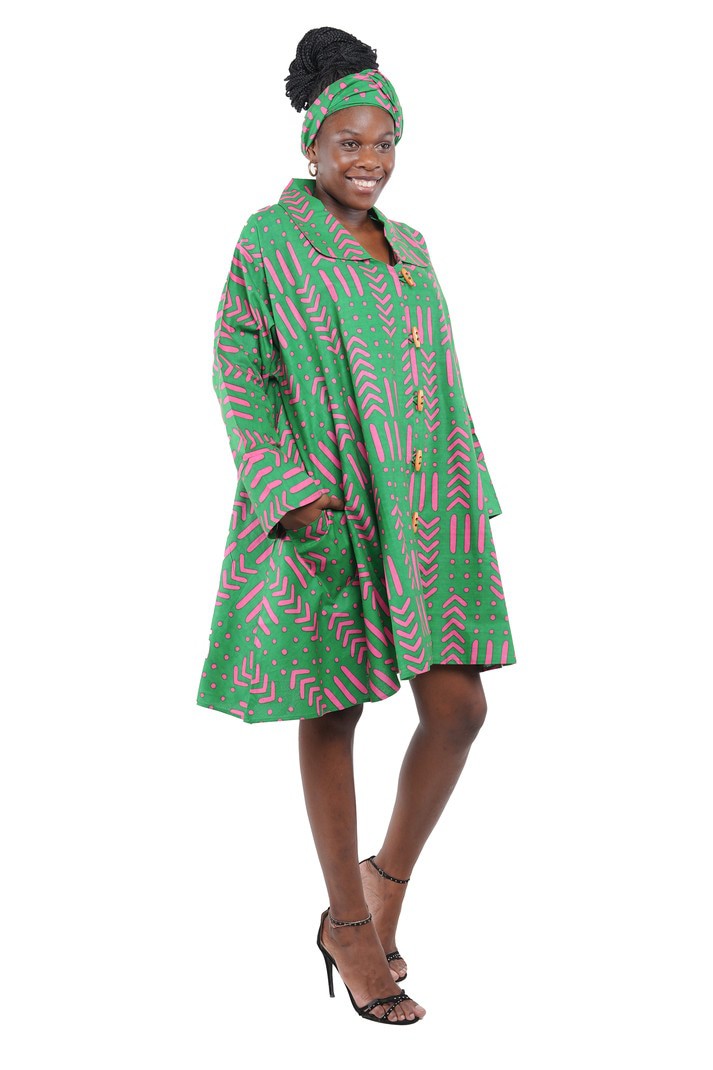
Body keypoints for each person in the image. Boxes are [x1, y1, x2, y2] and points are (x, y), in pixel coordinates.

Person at [196, 26, 517, 1024]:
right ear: (311, 145)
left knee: (457, 708)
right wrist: (282, 482)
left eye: (384, 143)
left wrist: (465, 484)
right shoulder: (270, 239)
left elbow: (440, 375)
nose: (368, 160)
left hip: (425, 506)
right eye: (348, 142)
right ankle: (346, 923)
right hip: (324, 499)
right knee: (333, 706)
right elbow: (237, 365)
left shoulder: (411, 245)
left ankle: (384, 885)